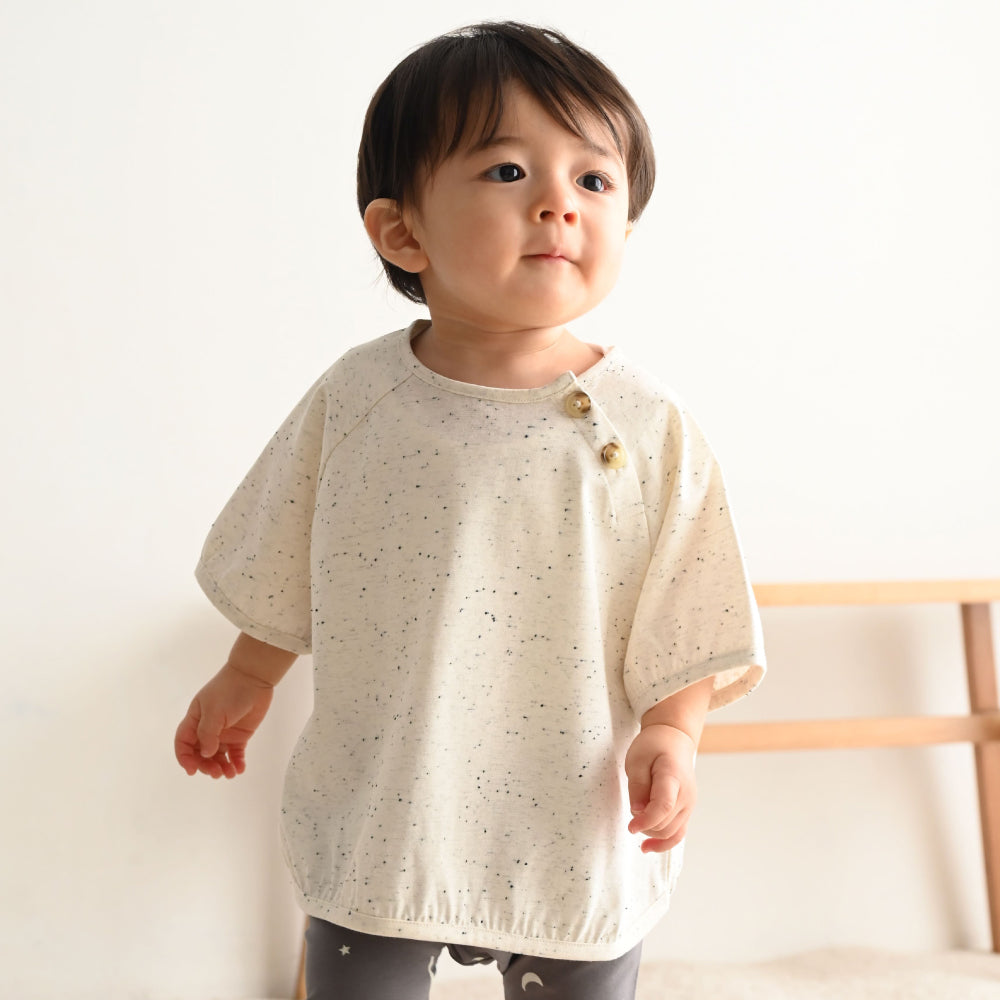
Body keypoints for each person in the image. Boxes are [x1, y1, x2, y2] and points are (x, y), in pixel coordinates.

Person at [175, 21, 765, 1000]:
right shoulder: (358, 399)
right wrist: (248, 670)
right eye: (506, 171)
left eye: (593, 180)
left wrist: (675, 729)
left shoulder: (645, 422)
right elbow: (289, 545)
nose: (557, 203)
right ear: (402, 232)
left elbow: (687, 593)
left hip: (573, 800)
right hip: (391, 795)